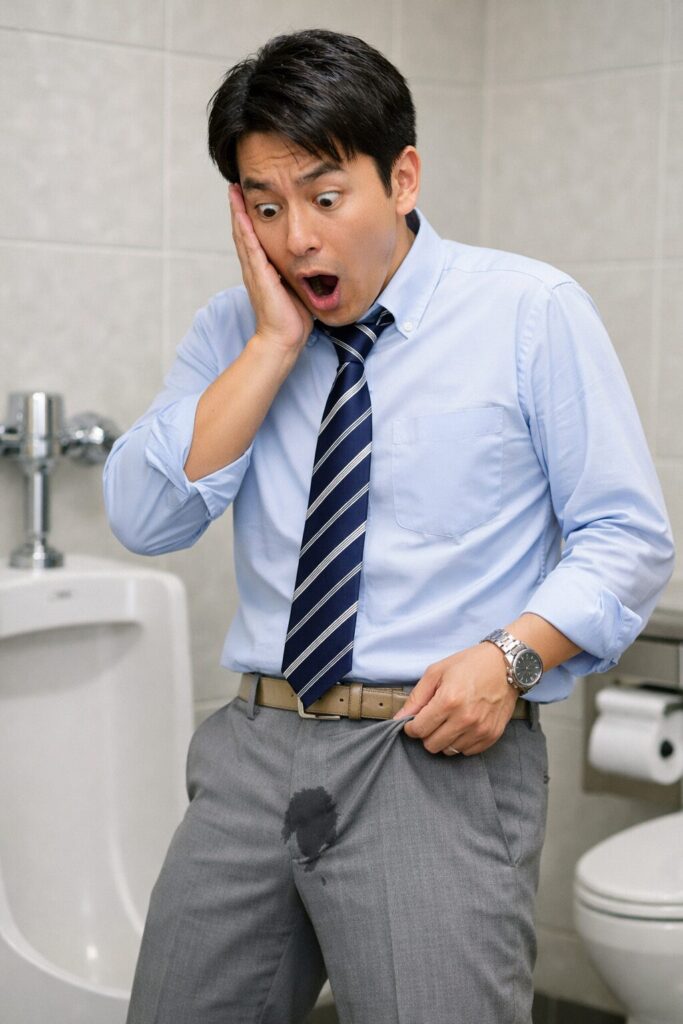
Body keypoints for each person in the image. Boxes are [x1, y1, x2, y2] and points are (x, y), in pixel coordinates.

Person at [103, 28, 674, 1024]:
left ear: (401, 176)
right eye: (265, 206)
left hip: (433, 753)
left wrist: (511, 658)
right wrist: (275, 345)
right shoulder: (231, 333)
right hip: (253, 747)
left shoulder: (528, 312)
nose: (296, 239)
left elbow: (624, 539)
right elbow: (143, 517)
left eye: (324, 199)